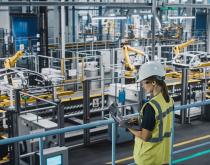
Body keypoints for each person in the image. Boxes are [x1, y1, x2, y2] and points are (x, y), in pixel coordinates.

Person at [128, 61, 174, 165]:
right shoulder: (169, 100)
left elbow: (145, 136)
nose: (143, 86)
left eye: (144, 82)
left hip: (149, 157)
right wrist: (140, 120)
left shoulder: (150, 106)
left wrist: (128, 127)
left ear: (153, 82)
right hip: (163, 155)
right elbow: (159, 122)